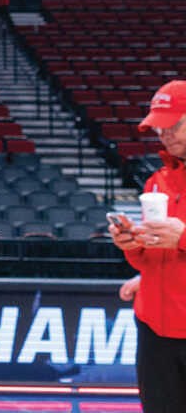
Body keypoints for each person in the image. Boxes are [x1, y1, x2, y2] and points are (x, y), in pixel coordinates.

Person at [108, 79, 186, 413]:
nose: (164, 135)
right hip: (155, 327)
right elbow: (150, 257)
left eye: (173, 125)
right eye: (158, 127)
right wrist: (131, 243)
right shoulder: (158, 181)